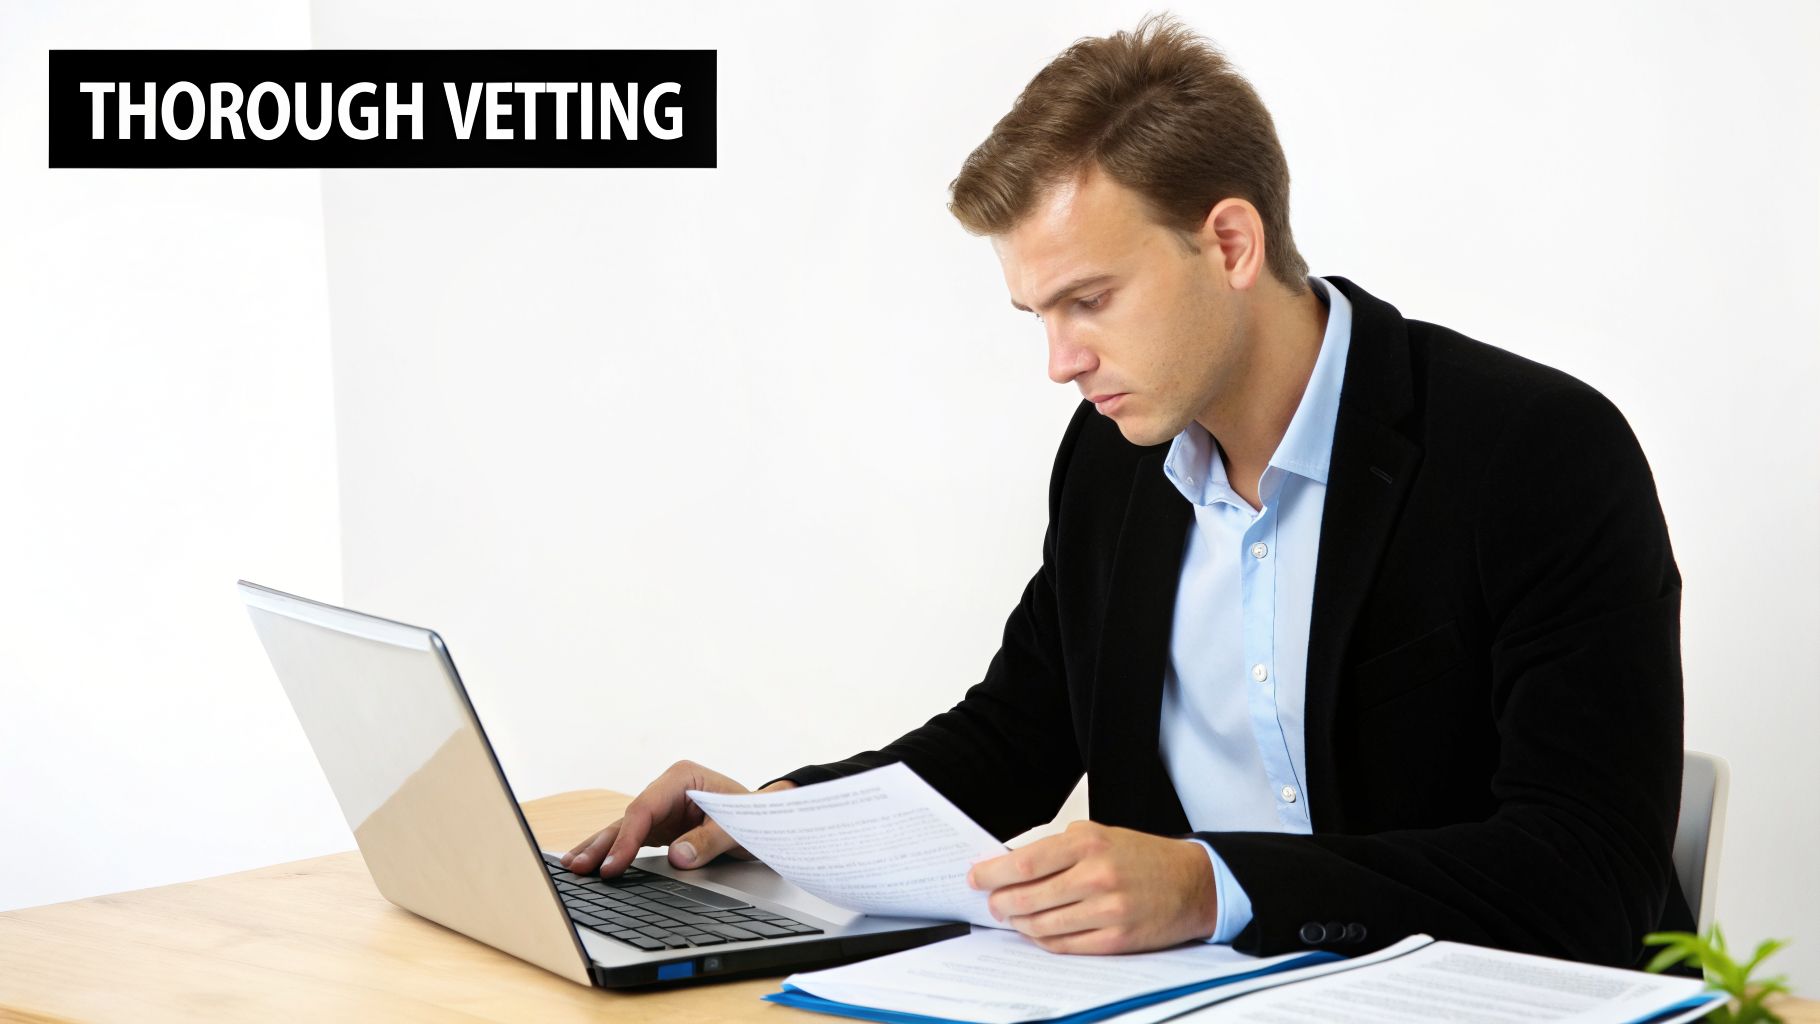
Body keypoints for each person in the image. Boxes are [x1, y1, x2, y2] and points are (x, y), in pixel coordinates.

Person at [563, 14, 1692, 966]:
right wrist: (786, 819)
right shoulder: (1112, 456)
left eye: (1089, 300)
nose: (1058, 360)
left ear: (1230, 242)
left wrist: (1212, 885)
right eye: (1038, 315)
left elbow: (1589, 872)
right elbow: (1014, 734)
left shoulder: (1537, 450)